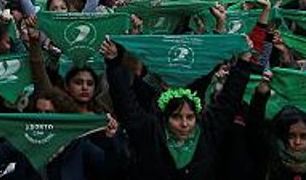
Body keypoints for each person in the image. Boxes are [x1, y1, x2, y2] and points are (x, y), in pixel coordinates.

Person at [104, 39, 259, 180]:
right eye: (177, 117)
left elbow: (229, 100)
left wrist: (244, 62)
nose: (185, 124)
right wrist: (113, 62)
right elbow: (125, 101)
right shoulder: (150, 130)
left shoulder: (208, 129)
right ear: (165, 117)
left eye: (190, 117)